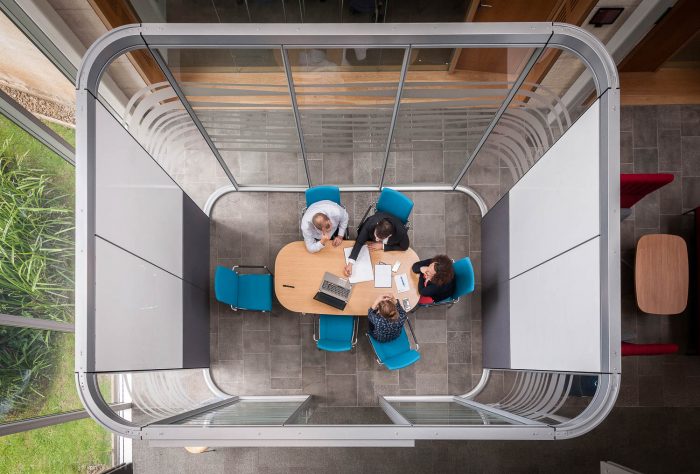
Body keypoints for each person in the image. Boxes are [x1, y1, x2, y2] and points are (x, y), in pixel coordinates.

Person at [344, 212, 408, 277]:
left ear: (389, 235)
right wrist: (350, 263)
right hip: (370, 240)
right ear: (377, 224)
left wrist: (383, 246)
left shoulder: (401, 232)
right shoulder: (370, 223)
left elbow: (404, 247)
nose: (376, 240)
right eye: (376, 235)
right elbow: (359, 242)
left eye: (380, 239)